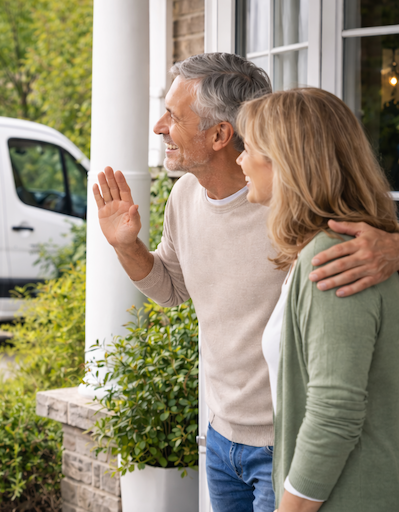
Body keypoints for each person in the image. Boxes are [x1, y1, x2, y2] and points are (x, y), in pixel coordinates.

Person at [92, 53, 399, 512]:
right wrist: (126, 246)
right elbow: (173, 291)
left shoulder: (310, 227)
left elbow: (336, 409)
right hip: (221, 438)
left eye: (174, 116)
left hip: (288, 443)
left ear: (220, 135)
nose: (159, 126)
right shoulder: (185, 196)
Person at [235, 87, 399, 512]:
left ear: (285, 162)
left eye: (249, 148)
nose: (240, 160)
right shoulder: (351, 246)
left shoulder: (335, 256)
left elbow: (335, 413)